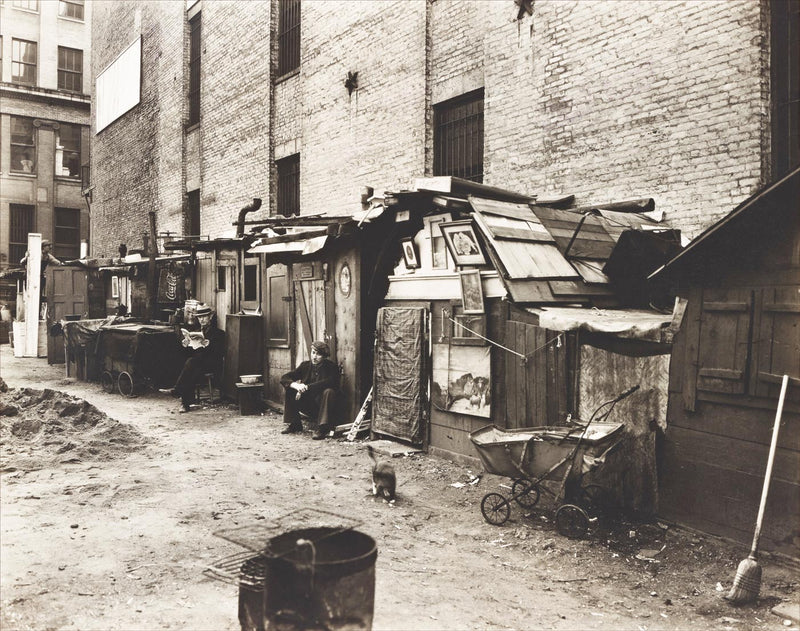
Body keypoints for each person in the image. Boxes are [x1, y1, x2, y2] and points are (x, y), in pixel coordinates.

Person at [159, 304, 224, 413]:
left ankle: (180, 396)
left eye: (204, 317)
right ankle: (184, 401)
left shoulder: (218, 333)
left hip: (211, 363)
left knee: (191, 364)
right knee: (189, 364)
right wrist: (186, 344)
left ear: (210, 317)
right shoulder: (196, 331)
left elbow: (219, 353)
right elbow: (190, 352)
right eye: (199, 317)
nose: (202, 319)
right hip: (197, 364)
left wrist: (208, 344)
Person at [280, 340, 340, 439]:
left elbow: (329, 382)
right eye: (313, 353)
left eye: (318, 354)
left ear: (324, 356)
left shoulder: (331, 367)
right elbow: (284, 378)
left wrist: (306, 387)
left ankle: (323, 427)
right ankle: (295, 424)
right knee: (290, 389)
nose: (314, 357)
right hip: (309, 405)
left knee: (329, 391)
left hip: (324, 406)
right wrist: (296, 386)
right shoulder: (305, 366)